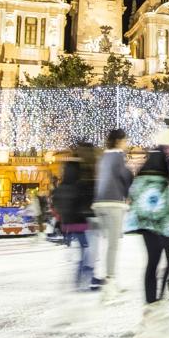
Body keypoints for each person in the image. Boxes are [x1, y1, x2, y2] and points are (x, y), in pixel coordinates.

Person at [126, 148, 169, 322]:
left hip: (143, 224)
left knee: (151, 261)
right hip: (159, 224)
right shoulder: (163, 180)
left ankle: (149, 301)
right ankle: (159, 296)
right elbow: (164, 207)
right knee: (167, 257)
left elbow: (132, 196)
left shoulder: (140, 178)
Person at [93, 128, 133, 299]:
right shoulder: (118, 156)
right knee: (113, 245)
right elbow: (125, 176)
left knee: (107, 244)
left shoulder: (103, 157)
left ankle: (109, 279)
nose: (127, 144)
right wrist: (128, 194)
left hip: (99, 202)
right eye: (125, 141)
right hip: (113, 203)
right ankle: (110, 283)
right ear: (119, 142)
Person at [53, 158, 95, 289]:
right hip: (80, 225)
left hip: (67, 225)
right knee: (85, 254)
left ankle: (76, 280)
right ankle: (81, 280)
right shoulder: (80, 186)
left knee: (75, 252)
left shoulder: (61, 187)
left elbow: (56, 205)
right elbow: (86, 205)